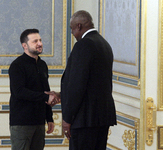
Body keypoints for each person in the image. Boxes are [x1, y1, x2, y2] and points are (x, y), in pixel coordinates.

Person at [61, 10, 117, 150]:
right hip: (101, 117)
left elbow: (77, 85)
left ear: (78, 26)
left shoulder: (83, 45)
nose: (72, 33)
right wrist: (61, 95)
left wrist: (67, 118)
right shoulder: (104, 44)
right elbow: (93, 83)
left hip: (84, 119)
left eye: (72, 29)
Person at [8, 29, 60, 150]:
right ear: (24, 45)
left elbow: (46, 90)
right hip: (22, 122)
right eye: (35, 41)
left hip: (39, 121)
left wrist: (49, 118)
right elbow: (19, 92)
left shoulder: (43, 65)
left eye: (40, 40)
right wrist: (46, 97)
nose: (40, 43)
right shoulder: (17, 65)